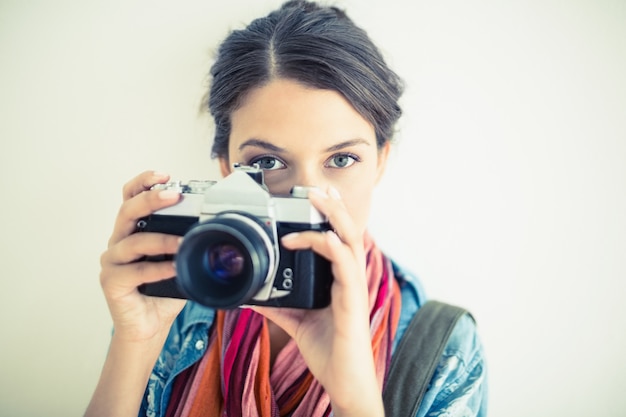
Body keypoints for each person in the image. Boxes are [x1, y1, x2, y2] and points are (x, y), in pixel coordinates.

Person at [85, 1, 488, 416]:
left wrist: (356, 400)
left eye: (342, 159)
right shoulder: (176, 301)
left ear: (381, 161)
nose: (312, 198)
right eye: (266, 163)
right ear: (226, 169)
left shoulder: (444, 351)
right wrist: (135, 343)